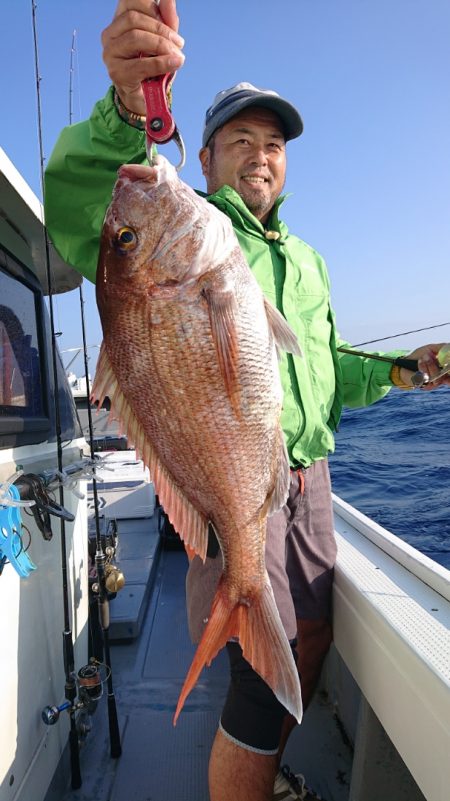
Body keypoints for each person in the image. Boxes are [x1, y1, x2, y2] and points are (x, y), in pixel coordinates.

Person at [44, 2, 450, 799]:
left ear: (287, 163)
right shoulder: (193, 231)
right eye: (240, 141)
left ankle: (268, 770)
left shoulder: (307, 261)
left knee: (317, 635)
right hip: (233, 484)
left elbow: (322, 366)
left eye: (272, 144)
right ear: (203, 158)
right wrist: (130, 108)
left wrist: (404, 374)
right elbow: (86, 206)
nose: (260, 156)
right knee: (259, 691)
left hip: (311, 481)